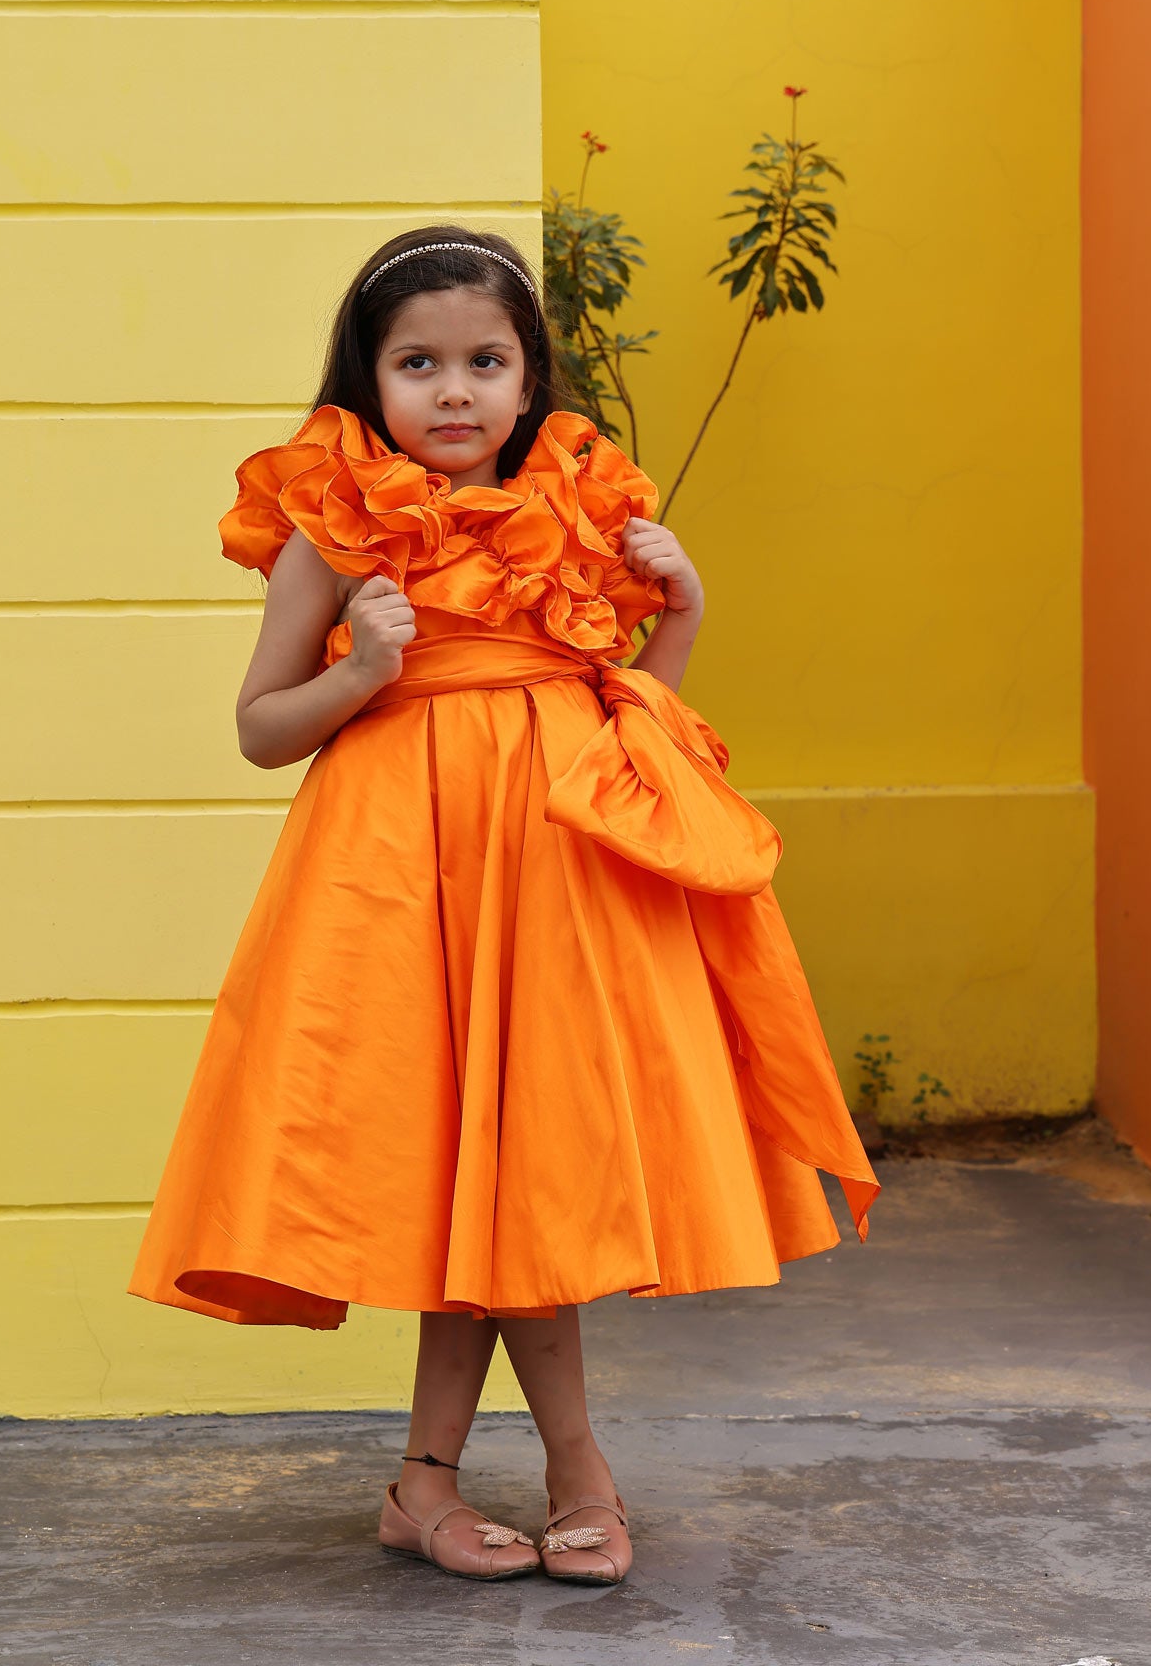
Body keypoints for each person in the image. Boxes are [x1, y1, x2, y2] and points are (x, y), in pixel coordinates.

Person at [128, 225, 878, 1585]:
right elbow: (260, 727)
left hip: (554, 869)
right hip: (397, 878)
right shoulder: (336, 530)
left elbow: (631, 702)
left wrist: (683, 612)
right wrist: (364, 670)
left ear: (531, 383)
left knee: (526, 1164)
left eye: (485, 361)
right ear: (369, 382)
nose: (455, 391)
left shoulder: (582, 518)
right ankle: (564, 1471)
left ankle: (433, 1483)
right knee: (464, 1167)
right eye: (419, 363)